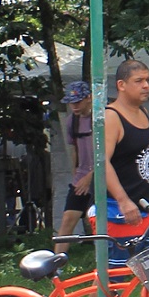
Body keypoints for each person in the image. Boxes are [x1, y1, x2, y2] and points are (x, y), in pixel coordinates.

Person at [95, 59, 149, 287]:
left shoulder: (142, 112)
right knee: (112, 280)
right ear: (121, 85)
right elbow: (102, 163)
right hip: (121, 211)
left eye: (148, 80)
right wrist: (123, 201)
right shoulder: (112, 117)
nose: (146, 86)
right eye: (139, 81)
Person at [52, 80, 96, 253]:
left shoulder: (101, 119)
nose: (75, 106)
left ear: (89, 98)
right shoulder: (72, 122)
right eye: (71, 103)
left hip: (102, 177)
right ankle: (56, 266)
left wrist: (90, 177)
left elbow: (109, 154)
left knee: (100, 221)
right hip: (81, 178)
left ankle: (107, 264)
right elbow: (74, 149)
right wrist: (76, 173)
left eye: (78, 102)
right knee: (68, 219)